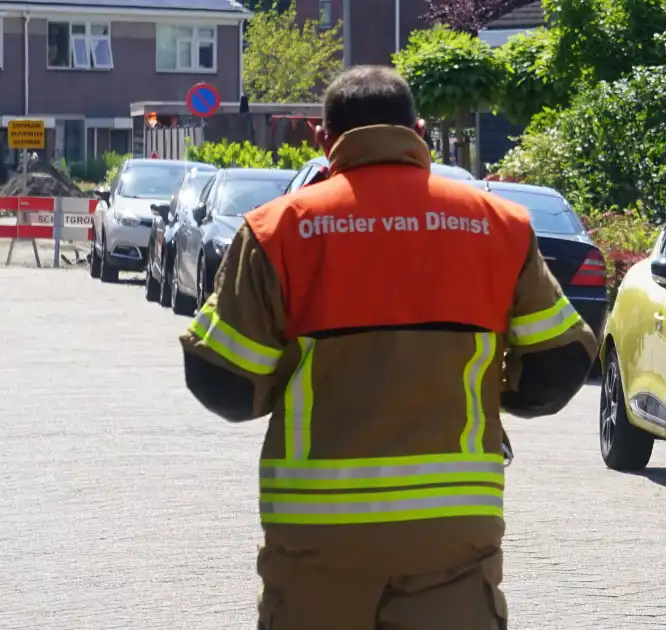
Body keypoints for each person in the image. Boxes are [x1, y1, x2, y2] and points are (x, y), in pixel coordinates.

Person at [179, 65, 597, 630]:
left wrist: (285, 383)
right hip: (453, 530)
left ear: (324, 141)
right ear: (419, 132)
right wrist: (489, 395)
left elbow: (222, 380)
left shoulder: (279, 230)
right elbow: (561, 361)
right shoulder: (497, 225)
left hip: (317, 532)